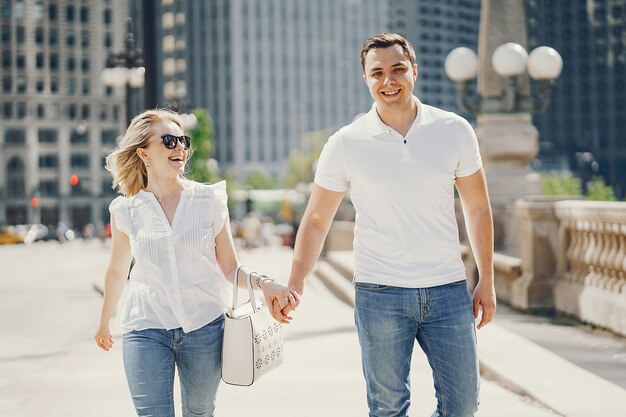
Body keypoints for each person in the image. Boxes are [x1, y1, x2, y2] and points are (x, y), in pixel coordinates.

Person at [282, 33, 495, 417]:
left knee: (463, 405)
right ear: (365, 79)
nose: (388, 80)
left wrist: (487, 279)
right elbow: (316, 220)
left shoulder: (454, 130)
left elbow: (478, 208)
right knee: (388, 408)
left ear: (414, 70)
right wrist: (296, 281)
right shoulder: (346, 142)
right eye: (377, 72)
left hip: (447, 290)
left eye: (397, 69)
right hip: (380, 292)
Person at [94, 109, 299, 417]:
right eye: (168, 141)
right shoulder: (126, 209)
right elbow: (116, 270)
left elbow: (230, 267)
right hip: (146, 325)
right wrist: (104, 320)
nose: (179, 148)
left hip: (203, 326)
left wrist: (266, 285)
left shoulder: (209, 200)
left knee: (199, 413)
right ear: (143, 153)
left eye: (182, 141)